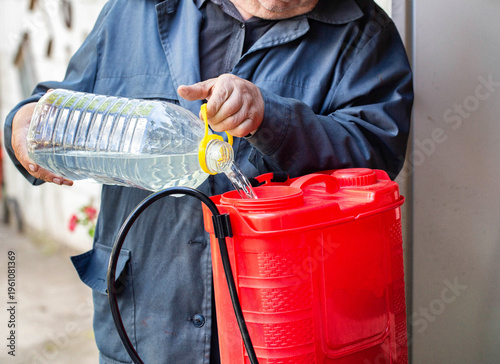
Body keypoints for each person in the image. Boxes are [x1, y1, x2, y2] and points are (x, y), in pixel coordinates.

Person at [4, 0, 413, 362]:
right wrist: (20, 126)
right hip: (141, 321)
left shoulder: (365, 33)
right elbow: (57, 104)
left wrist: (270, 118)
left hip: (278, 328)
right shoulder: (135, 9)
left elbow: (375, 154)